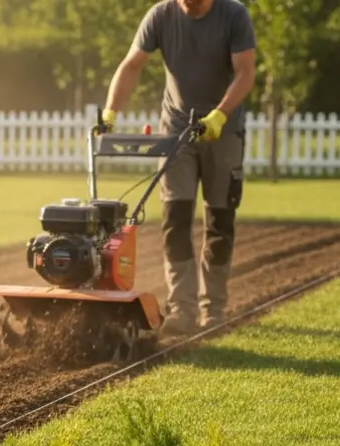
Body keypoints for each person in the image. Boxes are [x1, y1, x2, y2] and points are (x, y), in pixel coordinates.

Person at [100, 0, 256, 336]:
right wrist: (110, 112)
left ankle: (213, 309)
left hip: (224, 131)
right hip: (176, 131)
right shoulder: (161, 15)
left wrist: (219, 115)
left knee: (219, 221)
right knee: (175, 219)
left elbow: (246, 72)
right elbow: (132, 64)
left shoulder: (234, 15)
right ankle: (182, 308)